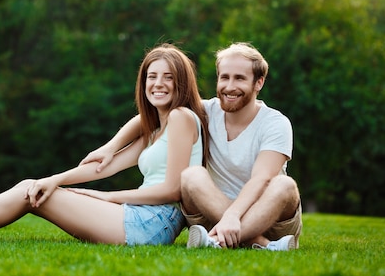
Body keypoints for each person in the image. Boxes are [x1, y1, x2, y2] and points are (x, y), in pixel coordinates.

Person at [0, 43, 207, 246]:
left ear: (181, 83)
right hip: (139, 218)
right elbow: (103, 166)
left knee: (28, 194)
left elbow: (171, 191)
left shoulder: (181, 118)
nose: (158, 84)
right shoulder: (155, 129)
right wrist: (57, 179)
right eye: (152, 76)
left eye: (168, 77)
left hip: (152, 225)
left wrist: (103, 196)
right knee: (34, 188)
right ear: (143, 81)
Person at [80, 42, 302, 251]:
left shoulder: (275, 123)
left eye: (240, 79)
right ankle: (257, 243)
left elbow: (261, 179)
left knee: (284, 185)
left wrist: (232, 216)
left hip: (267, 218)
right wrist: (111, 147)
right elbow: (151, 116)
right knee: (191, 175)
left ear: (259, 82)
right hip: (212, 211)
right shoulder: (205, 111)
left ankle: (225, 240)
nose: (230, 86)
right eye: (224, 77)